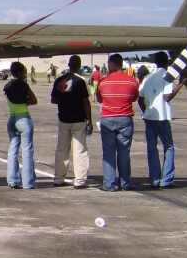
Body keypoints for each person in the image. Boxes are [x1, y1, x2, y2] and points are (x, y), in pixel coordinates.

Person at [138, 52, 187, 188]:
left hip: (149, 116)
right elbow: (167, 97)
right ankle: (166, 179)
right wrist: (181, 83)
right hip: (161, 116)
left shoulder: (148, 77)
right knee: (169, 146)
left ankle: (154, 179)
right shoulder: (166, 77)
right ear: (167, 62)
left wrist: (145, 112)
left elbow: (140, 98)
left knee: (152, 148)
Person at [97, 53, 138, 191]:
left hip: (108, 118)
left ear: (113, 64)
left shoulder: (104, 82)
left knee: (108, 152)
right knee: (124, 152)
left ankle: (109, 184)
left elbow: (99, 99)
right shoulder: (132, 81)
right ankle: (125, 183)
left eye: (109, 64)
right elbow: (134, 98)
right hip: (125, 118)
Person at [51, 55, 92, 189]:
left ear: (68, 64)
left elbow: (54, 99)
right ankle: (79, 180)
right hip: (79, 119)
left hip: (64, 118)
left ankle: (58, 178)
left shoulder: (59, 80)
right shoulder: (80, 81)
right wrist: (89, 120)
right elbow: (86, 101)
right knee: (80, 151)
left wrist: (64, 101)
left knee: (61, 149)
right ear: (79, 65)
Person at [3, 61, 37, 189]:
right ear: (19, 72)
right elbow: (34, 100)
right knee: (27, 151)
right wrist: (26, 101)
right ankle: (28, 183)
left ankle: (13, 180)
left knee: (13, 151)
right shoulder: (24, 85)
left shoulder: (7, 86)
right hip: (23, 118)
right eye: (23, 71)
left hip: (12, 119)